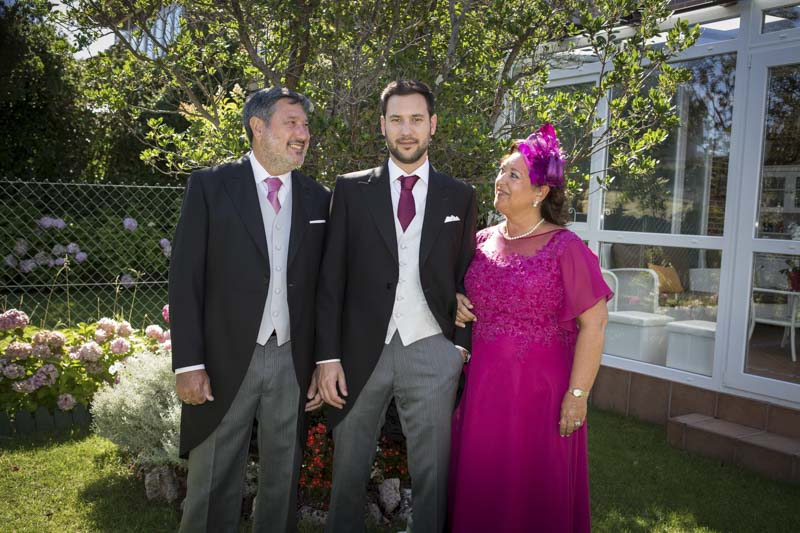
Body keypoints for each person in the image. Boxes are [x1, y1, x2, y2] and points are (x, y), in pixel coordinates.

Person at [315, 79, 478, 533]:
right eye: (397, 120)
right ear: (382, 125)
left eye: (416, 119)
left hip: (431, 348)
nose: (407, 130)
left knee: (433, 477)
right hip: (359, 352)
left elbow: (467, 274)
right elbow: (330, 279)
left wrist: (458, 347)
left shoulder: (459, 195)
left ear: (433, 125)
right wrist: (327, 357)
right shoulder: (351, 190)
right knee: (347, 472)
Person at [169, 87, 331, 533]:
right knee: (213, 479)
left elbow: (325, 289)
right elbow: (185, 280)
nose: (303, 134)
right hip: (224, 358)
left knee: (283, 479)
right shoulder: (211, 186)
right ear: (258, 127)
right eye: (291, 123)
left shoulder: (318, 197)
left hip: (291, 359)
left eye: (305, 125)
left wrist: (322, 360)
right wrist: (188, 364)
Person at [448, 124, 612, 533]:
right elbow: (457, 292)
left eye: (513, 175)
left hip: (541, 396)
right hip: (482, 388)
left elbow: (594, 324)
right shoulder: (480, 242)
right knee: (482, 483)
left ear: (541, 192)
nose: (500, 180)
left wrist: (578, 396)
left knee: (532, 489)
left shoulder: (566, 249)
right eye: (501, 171)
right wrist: (455, 302)